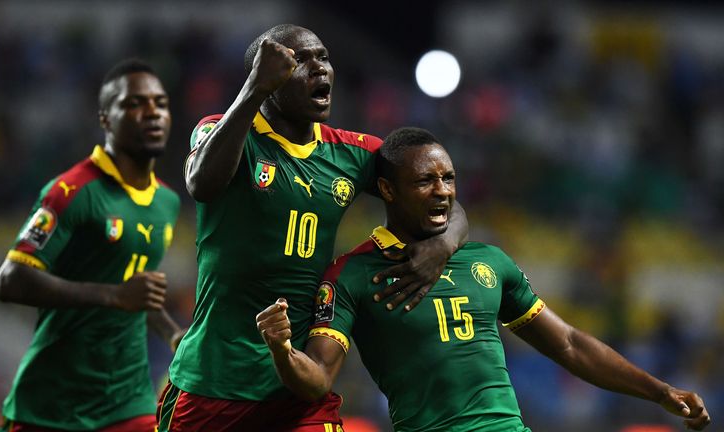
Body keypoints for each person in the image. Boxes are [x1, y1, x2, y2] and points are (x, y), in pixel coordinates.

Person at [256, 127, 712, 432]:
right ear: (389, 191)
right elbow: (317, 378)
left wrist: (660, 390)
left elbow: (569, 344)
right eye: (425, 181)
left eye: (449, 178)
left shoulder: (489, 262)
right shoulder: (351, 276)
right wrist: (281, 349)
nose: (443, 190)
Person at [160, 25, 469, 431]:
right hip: (214, 380)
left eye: (322, 58)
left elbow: (443, 199)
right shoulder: (225, 130)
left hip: (298, 384)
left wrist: (442, 244)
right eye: (298, 61)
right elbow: (202, 183)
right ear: (266, 77)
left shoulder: (351, 153)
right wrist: (253, 89)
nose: (318, 69)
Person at [0, 59, 185, 432]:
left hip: (127, 401)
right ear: (105, 118)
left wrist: (172, 332)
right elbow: (10, 280)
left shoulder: (167, 202)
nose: (152, 113)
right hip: (52, 404)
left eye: (160, 103)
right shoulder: (71, 191)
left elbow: (134, 290)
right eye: (134, 104)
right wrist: (114, 296)